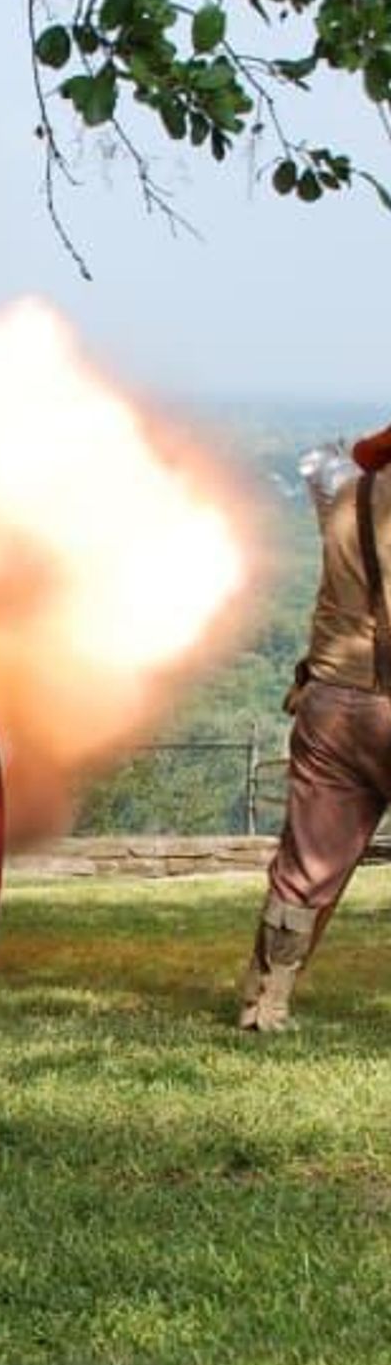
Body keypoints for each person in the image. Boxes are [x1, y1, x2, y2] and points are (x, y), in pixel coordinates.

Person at [238, 421, 391, 1031]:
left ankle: (264, 1003)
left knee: (305, 872)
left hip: (335, 707)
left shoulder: (344, 492)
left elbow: (316, 458)